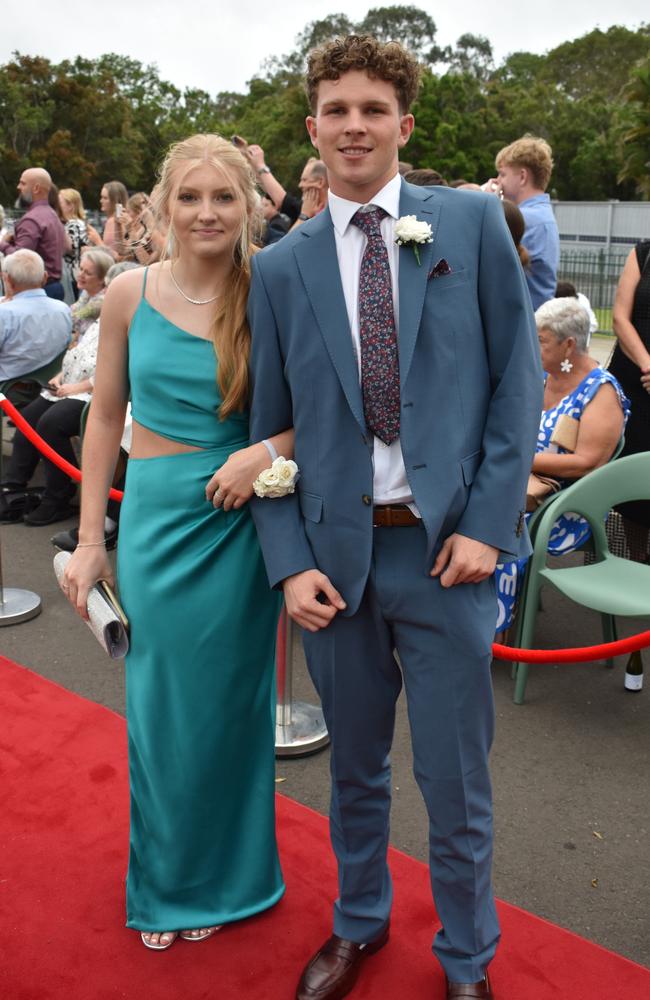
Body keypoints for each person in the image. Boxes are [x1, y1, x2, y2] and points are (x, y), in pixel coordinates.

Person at [248, 34, 542, 1000]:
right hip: (335, 565)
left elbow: (515, 387)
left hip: (448, 555)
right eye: (337, 110)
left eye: (373, 109)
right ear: (312, 128)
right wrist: (288, 562)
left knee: (456, 784)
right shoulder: (283, 266)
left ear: (403, 125)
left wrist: (488, 526)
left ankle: (467, 960)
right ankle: (359, 926)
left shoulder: (468, 222)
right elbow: (270, 433)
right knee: (355, 776)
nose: (354, 126)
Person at [62, 133, 291, 950]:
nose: (205, 212)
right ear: (163, 206)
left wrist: (263, 452)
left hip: (239, 529)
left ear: (249, 207)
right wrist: (93, 540)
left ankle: (234, 878)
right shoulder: (127, 292)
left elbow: (322, 415)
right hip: (157, 522)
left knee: (231, 712)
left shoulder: (274, 289)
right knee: (159, 713)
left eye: (222, 197)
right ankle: (167, 883)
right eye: (189, 197)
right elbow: (102, 415)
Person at [495, 297, 630, 632]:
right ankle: (462, 623)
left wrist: (515, 457)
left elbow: (586, 463)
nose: (532, 345)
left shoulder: (601, 391)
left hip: (566, 505)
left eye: (540, 340)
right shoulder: (541, 376)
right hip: (525, 488)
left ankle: (491, 631)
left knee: (493, 529)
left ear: (569, 344)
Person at [1, 261, 132, 526]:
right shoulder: (103, 312)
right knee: (27, 418)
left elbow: (120, 368)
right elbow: (79, 351)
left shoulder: (129, 318)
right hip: (69, 383)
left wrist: (77, 387)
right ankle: (12, 487)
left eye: (110, 286)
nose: (107, 291)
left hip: (95, 392)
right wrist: (61, 376)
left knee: (50, 425)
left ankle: (57, 496)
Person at [609, 239, 650, 560]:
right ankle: (636, 562)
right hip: (636, 382)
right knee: (632, 485)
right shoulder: (643, 252)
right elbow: (621, 318)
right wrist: (648, 363)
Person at [484, 136, 560, 309]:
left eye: (503, 174)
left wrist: (487, 208)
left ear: (523, 177)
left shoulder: (526, 218)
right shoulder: (541, 215)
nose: (498, 181)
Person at [0, 249, 71, 392]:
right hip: (49, 384)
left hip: (10, 389)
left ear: (7, 279)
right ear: (45, 277)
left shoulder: (5, 313)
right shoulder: (63, 309)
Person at [0, 167, 67, 299]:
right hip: (53, 286)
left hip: (38, 291)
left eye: (23, 183)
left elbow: (20, 260)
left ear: (36, 188)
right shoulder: (51, 214)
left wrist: (2, 244)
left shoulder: (32, 219)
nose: (18, 187)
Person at [59, 188, 103, 302]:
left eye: (60, 203)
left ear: (70, 206)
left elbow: (71, 249)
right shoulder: (78, 223)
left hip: (72, 275)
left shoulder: (73, 225)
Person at [99, 180, 128, 253]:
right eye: (101, 197)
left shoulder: (113, 222)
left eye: (105, 198)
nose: (101, 201)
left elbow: (114, 253)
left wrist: (97, 241)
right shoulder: (123, 219)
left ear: (115, 201)